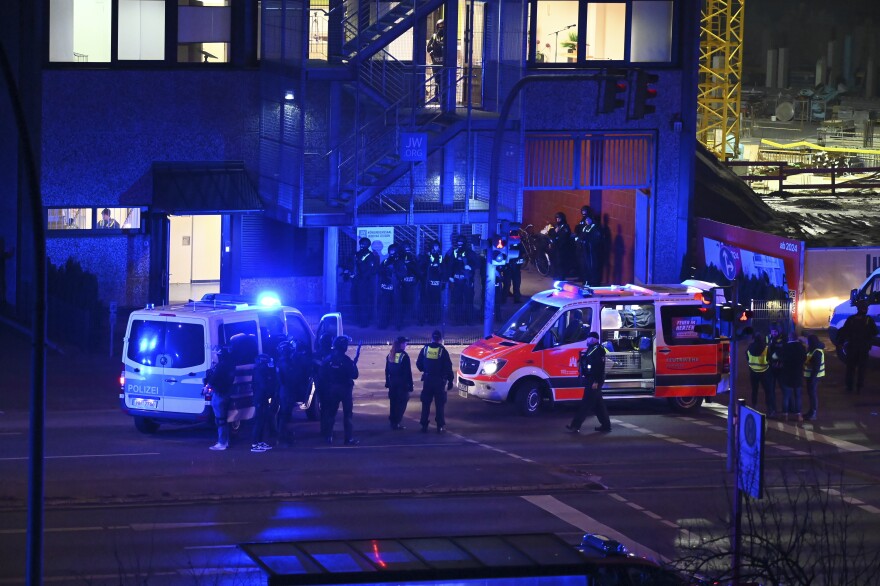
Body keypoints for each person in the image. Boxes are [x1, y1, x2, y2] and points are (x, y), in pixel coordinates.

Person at [319, 336, 361, 445]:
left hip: (332, 388)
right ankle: (348, 438)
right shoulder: (346, 360)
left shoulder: (328, 359)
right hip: (345, 390)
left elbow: (322, 374)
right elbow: (354, 375)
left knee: (331, 413)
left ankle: (328, 436)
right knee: (348, 415)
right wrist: (354, 365)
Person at [566, 332, 611, 432]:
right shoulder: (592, 348)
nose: (588, 339)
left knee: (586, 403)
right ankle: (606, 426)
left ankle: (575, 426)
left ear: (595, 339)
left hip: (594, 379)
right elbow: (587, 359)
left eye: (590, 337)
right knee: (599, 405)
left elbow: (599, 367)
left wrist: (596, 381)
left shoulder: (599, 349)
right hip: (591, 378)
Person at [416, 329, 454, 433]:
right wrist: (450, 380)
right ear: (440, 339)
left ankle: (424, 425)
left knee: (425, 404)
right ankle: (440, 426)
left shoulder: (425, 349)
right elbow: (448, 367)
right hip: (439, 381)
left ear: (432, 338)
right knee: (440, 404)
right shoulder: (442, 351)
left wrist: (426, 370)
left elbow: (419, 364)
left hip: (428, 380)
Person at [837, 300, 877, 393]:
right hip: (863, 348)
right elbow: (875, 332)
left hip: (852, 348)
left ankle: (849, 387)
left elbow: (844, 332)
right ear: (864, 309)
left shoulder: (851, 319)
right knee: (862, 368)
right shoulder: (868, 320)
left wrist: (840, 343)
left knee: (850, 368)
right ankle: (859, 387)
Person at [276, 340, 312, 444]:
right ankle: (283, 437)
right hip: (287, 391)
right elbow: (295, 377)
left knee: (285, 414)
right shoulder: (287, 363)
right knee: (285, 415)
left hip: (284, 391)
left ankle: (284, 435)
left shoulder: (280, 362)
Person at [206, 346, 236, 451]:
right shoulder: (231, 364)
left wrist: (207, 387)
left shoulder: (221, 366)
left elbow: (214, 378)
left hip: (219, 393)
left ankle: (222, 443)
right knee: (223, 419)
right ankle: (225, 441)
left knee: (220, 420)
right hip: (227, 392)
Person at [445, 235, 478, 326]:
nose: (459, 244)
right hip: (456, 280)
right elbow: (448, 264)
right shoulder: (453, 252)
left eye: (461, 242)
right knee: (457, 300)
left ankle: (469, 320)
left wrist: (470, 267)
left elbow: (477, 263)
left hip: (467, 280)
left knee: (468, 300)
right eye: (458, 242)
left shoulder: (470, 252)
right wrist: (450, 276)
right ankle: (458, 320)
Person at [250, 353, 279, 452]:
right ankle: (255, 444)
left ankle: (260, 441)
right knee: (259, 421)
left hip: (262, 398)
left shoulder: (260, 370)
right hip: (260, 398)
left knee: (262, 421)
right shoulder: (261, 370)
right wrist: (269, 393)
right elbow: (264, 385)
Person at [385, 336, 414, 429]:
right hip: (402, 383)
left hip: (392, 382)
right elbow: (408, 372)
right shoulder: (404, 356)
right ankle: (397, 422)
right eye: (405, 343)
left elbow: (387, 370)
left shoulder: (390, 355)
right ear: (401, 344)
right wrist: (410, 385)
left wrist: (387, 382)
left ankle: (393, 421)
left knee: (393, 402)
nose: (406, 345)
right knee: (402, 402)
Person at [778, 330, 807, 424]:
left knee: (786, 396)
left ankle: (785, 415)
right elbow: (805, 358)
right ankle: (798, 415)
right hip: (797, 375)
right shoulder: (801, 347)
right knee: (798, 396)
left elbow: (779, 357)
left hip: (786, 375)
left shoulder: (785, 347)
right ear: (797, 338)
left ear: (789, 338)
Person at [377, 243, 406, 329]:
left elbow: (403, 274)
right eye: (390, 250)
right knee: (384, 306)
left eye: (393, 250)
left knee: (397, 307)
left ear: (396, 251)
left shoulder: (400, 262)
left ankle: (398, 325)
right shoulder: (385, 261)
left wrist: (394, 271)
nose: (391, 252)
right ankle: (382, 324)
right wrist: (382, 282)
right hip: (386, 287)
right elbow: (380, 272)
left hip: (396, 287)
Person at [352, 237, 378, 328]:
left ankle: (364, 322)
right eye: (361, 243)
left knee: (364, 301)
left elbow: (371, 269)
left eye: (364, 243)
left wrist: (362, 277)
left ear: (368, 245)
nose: (362, 245)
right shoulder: (357, 254)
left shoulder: (369, 255)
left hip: (365, 282)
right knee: (357, 300)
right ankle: (358, 320)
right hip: (357, 281)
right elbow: (354, 266)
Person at [574, 207, 602, 286]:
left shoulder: (595, 227)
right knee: (585, 265)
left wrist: (587, 241)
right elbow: (581, 236)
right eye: (586, 220)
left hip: (591, 251)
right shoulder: (585, 227)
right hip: (584, 250)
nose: (586, 221)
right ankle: (587, 280)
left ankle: (594, 281)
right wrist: (579, 240)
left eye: (588, 219)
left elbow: (595, 238)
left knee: (592, 265)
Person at [419, 239, 445, 325]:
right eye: (435, 246)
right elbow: (421, 268)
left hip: (437, 283)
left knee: (436, 301)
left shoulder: (440, 257)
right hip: (427, 283)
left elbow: (442, 269)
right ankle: (425, 319)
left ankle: (435, 319)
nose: (436, 248)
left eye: (437, 246)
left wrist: (443, 282)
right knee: (426, 301)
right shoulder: (426, 256)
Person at [746, 331, 773, 412]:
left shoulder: (750, 347)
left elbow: (747, 357)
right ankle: (769, 408)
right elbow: (770, 359)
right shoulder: (765, 348)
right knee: (768, 391)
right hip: (764, 372)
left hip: (753, 372)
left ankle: (754, 406)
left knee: (754, 390)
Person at [803, 333, 825, 421]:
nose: (807, 343)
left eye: (808, 341)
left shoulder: (817, 352)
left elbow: (816, 367)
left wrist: (813, 378)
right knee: (811, 394)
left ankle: (813, 413)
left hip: (814, 377)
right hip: (811, 376)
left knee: (812, 394)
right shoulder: (813, 349)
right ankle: (811, 412)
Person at [766, 323, 785, 417]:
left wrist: (779, 361)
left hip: (780, 368)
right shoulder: (769, 338)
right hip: (771, 368)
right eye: (772, 331)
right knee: (771, 390)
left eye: (775, 331)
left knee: (784, 389)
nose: (773, 333)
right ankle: (772, 410)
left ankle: (786, 410)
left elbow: (783, 353)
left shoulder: (783, 339)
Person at [549, 212, 574, 280]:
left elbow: (564, 236)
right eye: (556, 218)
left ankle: (561, 276)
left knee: (561, 262)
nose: (557, 220)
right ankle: (556, 275)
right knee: (555, 261)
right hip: (555, 247)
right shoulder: (556, 226)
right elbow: (551, 233)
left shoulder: (565, 226)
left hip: (562, 248)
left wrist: (557, 233)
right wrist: (555, 232)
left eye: (559, 218)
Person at [400, 242, 420, 326]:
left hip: (412, 283)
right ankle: (403, 318)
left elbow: (417, 270)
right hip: (403, 283)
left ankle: (411, 317)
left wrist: (416, 279)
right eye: (406, 247)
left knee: (412, 300)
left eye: (408, 247)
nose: (407, 249)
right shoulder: (400, 257)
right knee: (403, 300)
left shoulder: (413, 257)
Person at [426, 18, 446, 102]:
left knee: (444, 81)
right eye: (439, 26)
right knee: (437, 81)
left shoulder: (448, 36)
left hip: (444, 63)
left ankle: (444, 98)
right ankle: (436, 97)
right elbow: (428, 48)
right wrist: (432, 49)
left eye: (443, 26)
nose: (441, 28)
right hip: (436, 63)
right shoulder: (434, 36)